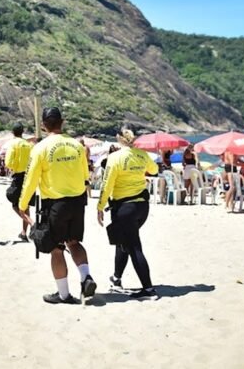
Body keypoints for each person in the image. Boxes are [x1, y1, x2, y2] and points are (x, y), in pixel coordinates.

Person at [17, 107, 97, 305]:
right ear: (63, 122)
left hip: (55, 204)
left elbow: (31, 179)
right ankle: (86, 277)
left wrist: (23, 203)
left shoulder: (41, 148)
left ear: (44, 125)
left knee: (56, 249)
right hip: (78, 201)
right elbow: (85, 176)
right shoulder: (77, 146)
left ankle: (63, 295)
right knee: (74, 242)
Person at [97, 126, 159, 300]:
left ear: (118, 138)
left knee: (133, 246)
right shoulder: (142, 154)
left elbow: (106, 184)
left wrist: (100, 206)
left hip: (125, 208)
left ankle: (148, 289)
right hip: (142, 207)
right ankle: (116, 279)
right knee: (123, 240)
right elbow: (154, 170)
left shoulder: (114, 158)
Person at [5, 123, 33, 241]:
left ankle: (32, 224)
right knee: (25, 205)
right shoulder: (29, 144)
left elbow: (8, 162)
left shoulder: (13, 143)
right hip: (29, 176)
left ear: (13, 132)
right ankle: (23, 232)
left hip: (18, 175)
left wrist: (13, 167)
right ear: (23, 132)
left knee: (14, 203)